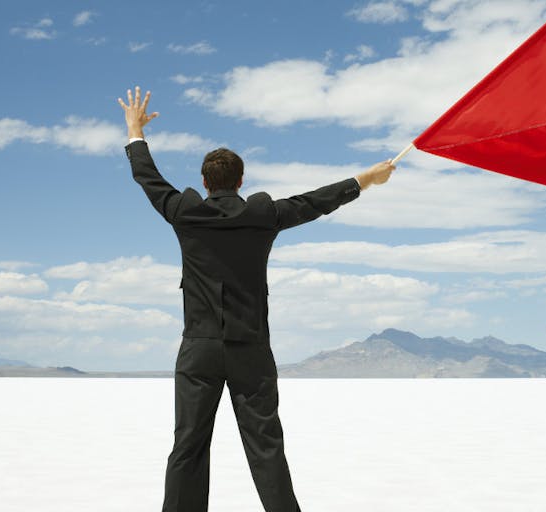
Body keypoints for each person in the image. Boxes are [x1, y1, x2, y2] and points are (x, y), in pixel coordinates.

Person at [118, 86, 395, 512]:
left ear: (205, 183)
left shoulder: (185, 213)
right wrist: (365, 181)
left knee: (188, 447)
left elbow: (149, 179)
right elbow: (313, 202)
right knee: (266, 448)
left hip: (200, 351)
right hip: (251, 350)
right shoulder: (263, 216)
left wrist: (136, 131)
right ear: (241, 181)